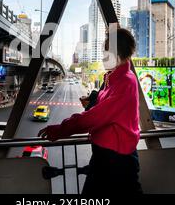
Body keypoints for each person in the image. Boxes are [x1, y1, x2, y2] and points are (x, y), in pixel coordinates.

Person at [38, 27, 142, 195]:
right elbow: (103, 111)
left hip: (116, 163)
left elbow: (93, 118)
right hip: (105, 159)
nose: (103, 56)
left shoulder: (125, 82)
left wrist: (60, 130)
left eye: (106, 51)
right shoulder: (114, 79)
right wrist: (92, 102)